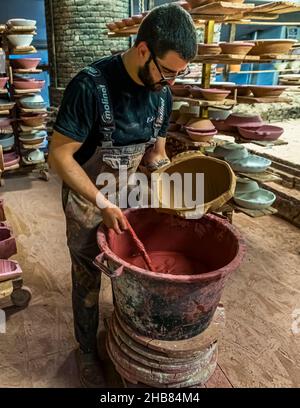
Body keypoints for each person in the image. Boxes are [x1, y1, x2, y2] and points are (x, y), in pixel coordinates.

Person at [49, 3, 197, 388]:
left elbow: (157, 153)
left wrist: (173, 188)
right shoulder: (90, 86)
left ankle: (121, 338)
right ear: (143, 49)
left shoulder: (162, 94)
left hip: (128, 195)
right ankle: (85, 350)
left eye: (179, 75)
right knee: (88, 281)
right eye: (167, 72)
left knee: (128, 274)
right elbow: (60, 155)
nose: (170, 83)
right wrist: (101, 202)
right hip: (89, 197)